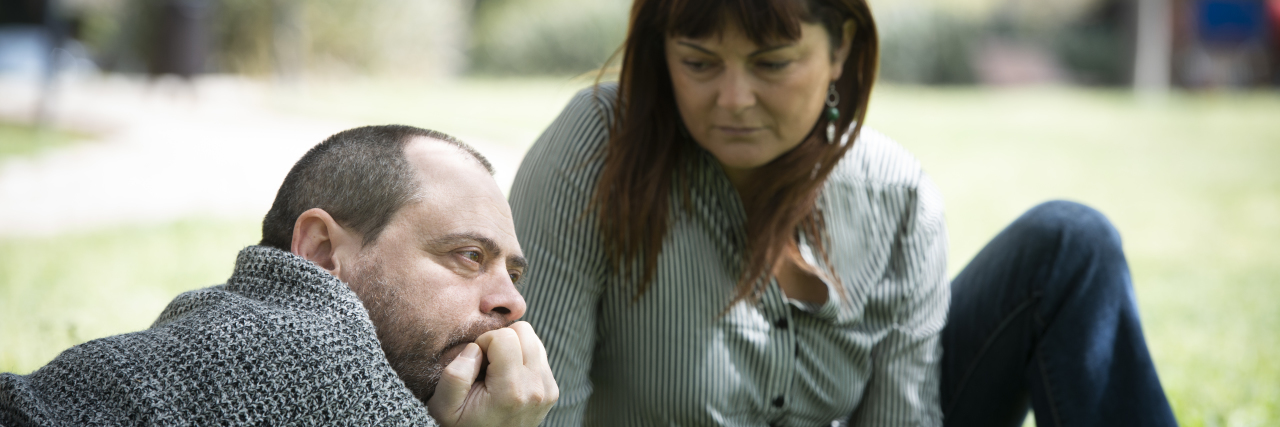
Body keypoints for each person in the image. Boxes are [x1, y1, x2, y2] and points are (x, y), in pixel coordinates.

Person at [508, 0, 1177, 426]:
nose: (733, 98)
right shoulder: (595, 147)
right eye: (699, 63)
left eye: (772, 64)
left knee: (1070, 242)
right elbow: (539, 407)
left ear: (841, 50)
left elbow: (903, 415)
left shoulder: (897, 195)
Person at [1, 125, 558, 426]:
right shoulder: (310, 354)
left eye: (513, 272)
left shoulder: (214, 319)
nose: (513, 302)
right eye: (468, 255)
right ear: (320, 252)